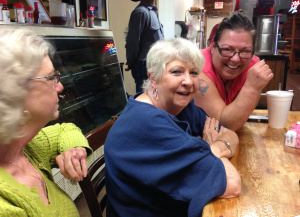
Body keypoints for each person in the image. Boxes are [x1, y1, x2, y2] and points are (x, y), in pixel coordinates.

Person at [105, 37, 241, 217]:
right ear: (153, 77)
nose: (188, 82)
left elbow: (230, 134)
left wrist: (210, 149)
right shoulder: (148, 123)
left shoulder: (179, 105)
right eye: (176, 72)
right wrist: (208, 148)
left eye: (193, 73)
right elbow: (231, 183)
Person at [0, 27, 92, 216]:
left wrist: (73, 149)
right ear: (16, 93)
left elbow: (64, 130)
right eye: (51, 78)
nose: (60, 86)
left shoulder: (24, 146)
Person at [194, 11, 274, 131]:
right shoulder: (197, 68)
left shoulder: (253, 67)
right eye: (227, 49)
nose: (236, 59)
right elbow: (224, 125)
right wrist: (251, 88)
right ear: (213, 47)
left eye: (245, 51)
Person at [125, 0, 164, 93]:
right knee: (145, 100)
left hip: (154, 65)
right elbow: (132, 42)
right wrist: (131, 62)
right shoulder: (140, 13)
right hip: (144, 68)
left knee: (155, 98)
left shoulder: (153, 11)